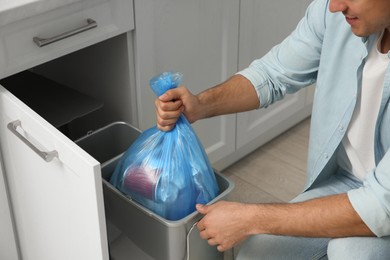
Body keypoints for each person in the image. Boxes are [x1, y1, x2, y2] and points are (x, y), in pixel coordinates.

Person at [155, 0, 390, 258]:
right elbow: (273, 74)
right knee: (256, 254)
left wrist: (250, 218)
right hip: (345, 183)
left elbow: (378, 206)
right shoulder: (333, 14)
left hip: (382, 202)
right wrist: (200, 105)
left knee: (350, 252)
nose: (334, 6)